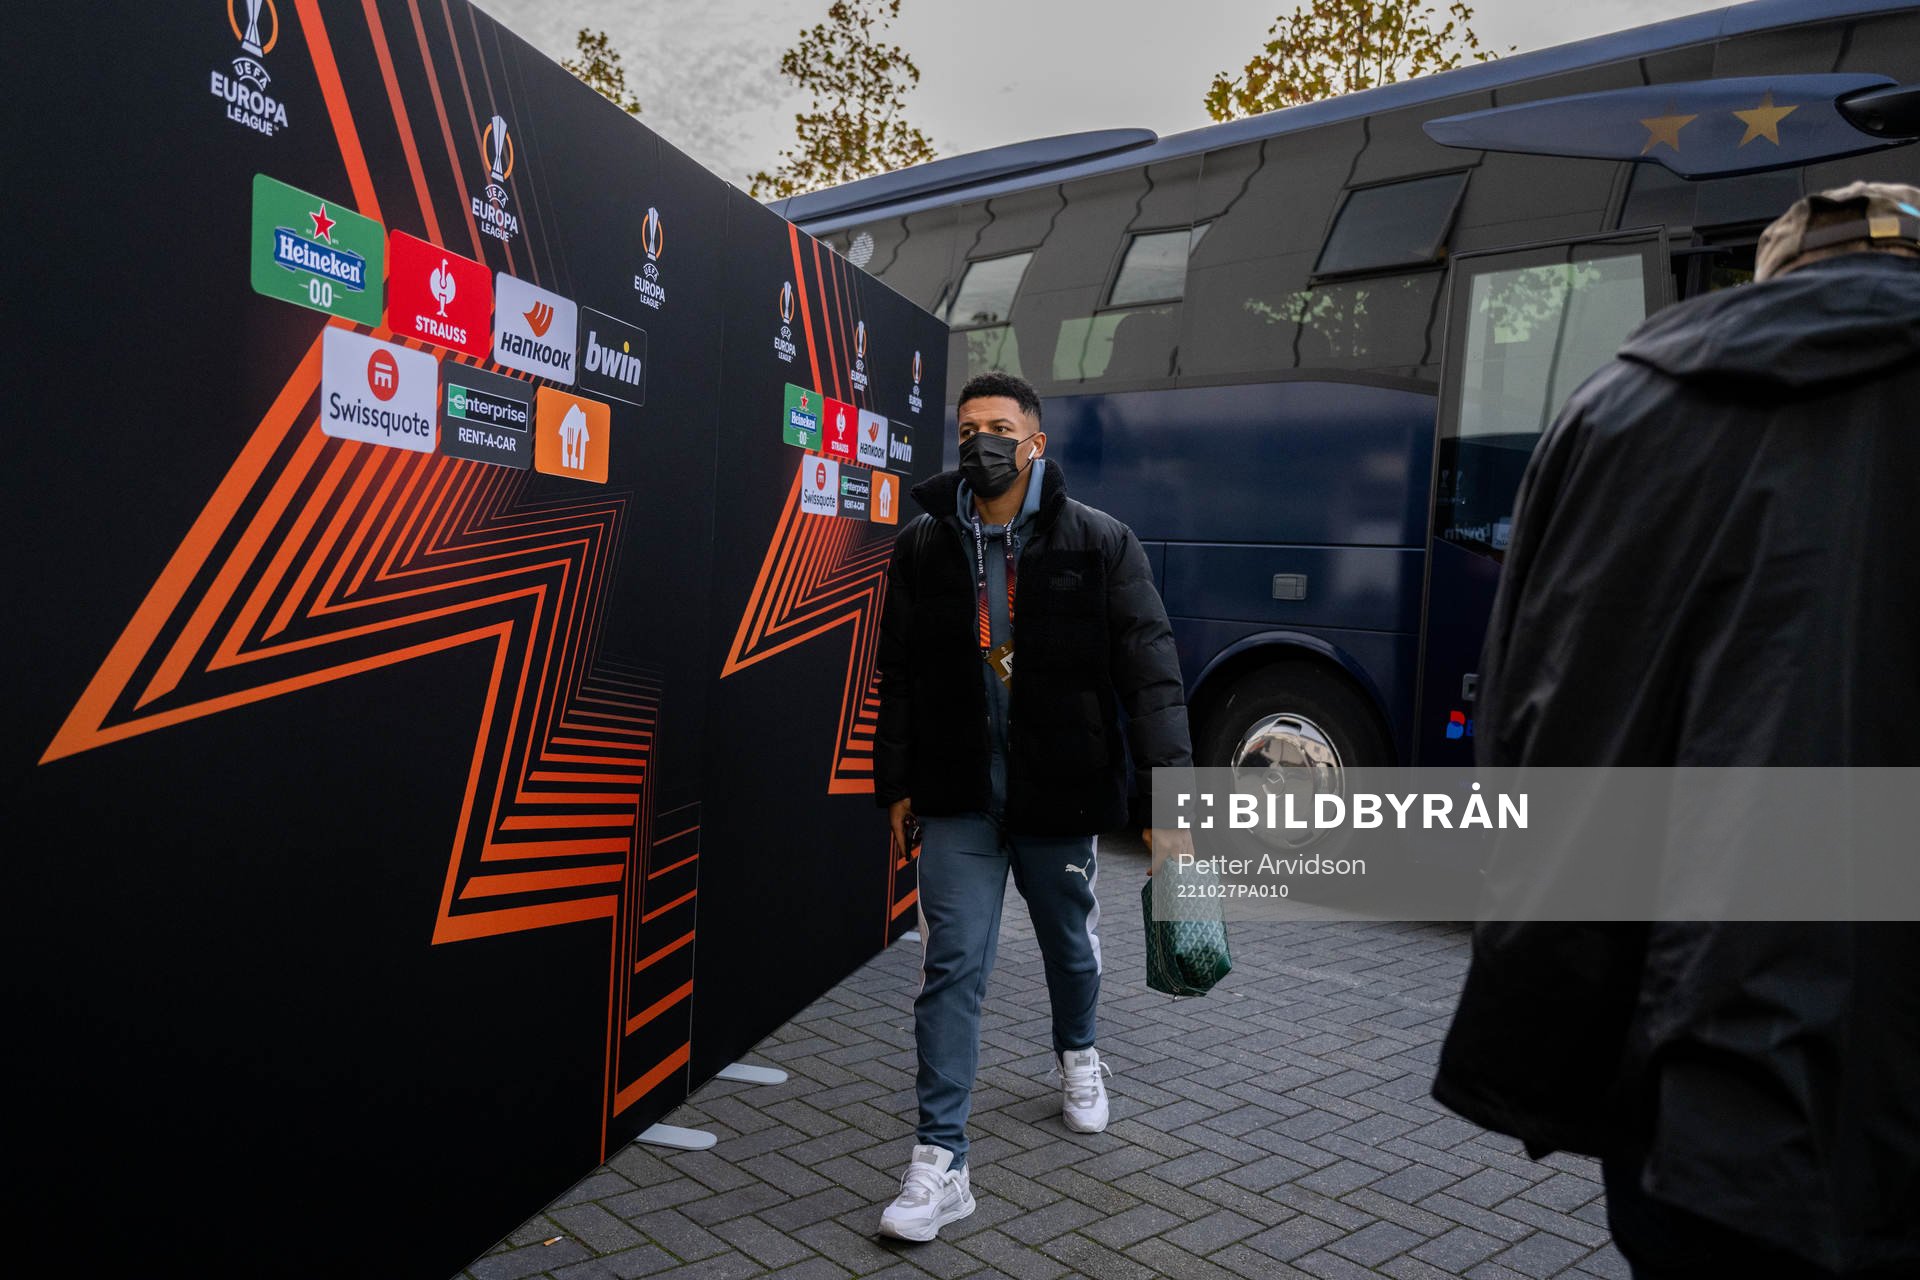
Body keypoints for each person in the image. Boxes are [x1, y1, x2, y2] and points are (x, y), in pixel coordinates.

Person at [1432, 183, 1920, 1278]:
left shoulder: (1620, 410)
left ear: (1773, 275)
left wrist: (1552, 1046)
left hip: (1712, 1094)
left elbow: (1544, 742)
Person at [871, 371, 1192, 1241]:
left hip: (1061, 792)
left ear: (1035, 443)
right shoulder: (925, 545)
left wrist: (1170, 797)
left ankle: (1079, 1054)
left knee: (1069, 951)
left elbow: (1150, 669)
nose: (983, 442)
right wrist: (895, 784)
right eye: (970, 427)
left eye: (1000, 427)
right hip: (959, 798)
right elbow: (894, 674)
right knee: (952, 967)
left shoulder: (1100, 542)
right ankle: (941, 1162)